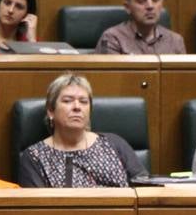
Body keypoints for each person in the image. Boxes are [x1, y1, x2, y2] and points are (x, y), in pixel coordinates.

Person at [18, 73, 148, 187]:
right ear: (51, 111)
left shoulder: (114, 144)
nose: (77, 107)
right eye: (68, 101)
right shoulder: (35, 158)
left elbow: (145, 191)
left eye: (83, 101)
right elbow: (36, 211)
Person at [94, 0, 187, 54]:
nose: (150, 6)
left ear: (161, 4)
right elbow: (108, 75)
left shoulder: (175, 41)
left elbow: (182, 76)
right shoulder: (112, 38)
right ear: (127, 7)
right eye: (141, 0)